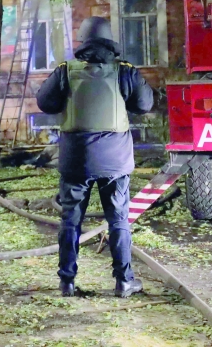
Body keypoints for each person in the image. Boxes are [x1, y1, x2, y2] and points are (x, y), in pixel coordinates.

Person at [36, 16, 154, 298]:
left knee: (70, 221)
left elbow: (44, 102)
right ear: (109, 41)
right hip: (115, 161)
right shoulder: (124, 71)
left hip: (76, 160)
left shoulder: (65, 71)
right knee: (118, 221)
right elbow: (145, 104)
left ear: (82, 42)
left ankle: (67, 282)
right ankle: (124, 281)